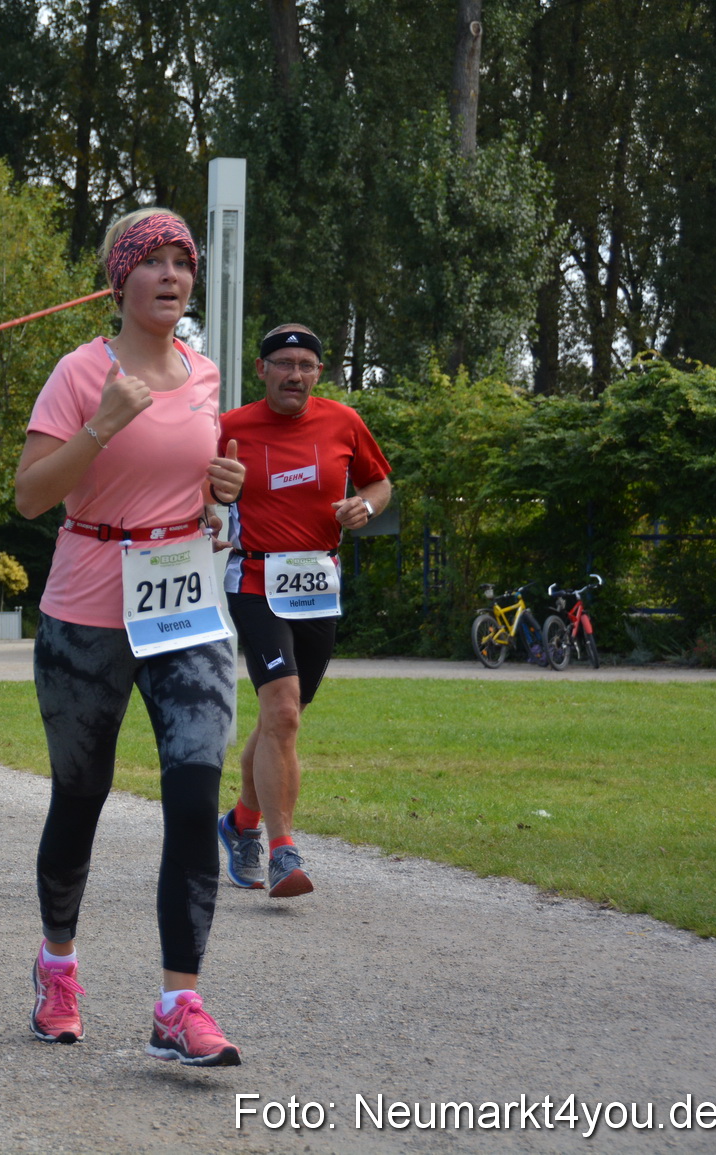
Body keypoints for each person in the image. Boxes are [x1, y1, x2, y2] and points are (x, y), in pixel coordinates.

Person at [13, 208, 247, 1065]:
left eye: (185, 264)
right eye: (155, 262)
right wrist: (101, 425)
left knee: (192, 794)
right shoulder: (81, 372)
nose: (174, 277)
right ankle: (58, 967)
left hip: (185, 608)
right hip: (87, 604)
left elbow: (198, 488)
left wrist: (223, 490)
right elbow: (32, 496)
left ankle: (179, 999)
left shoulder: (207, 373)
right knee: (80, 796)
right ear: (121, 280)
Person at [216, 325, 393, 899]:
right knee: (283, 712)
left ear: (319, 373)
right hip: (253, 577)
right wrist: (212, 507)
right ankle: (281, 850)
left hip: (318, 581)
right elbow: (196, 489)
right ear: (262, 369)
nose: (296, 374)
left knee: (280, 720)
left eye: (307, 365)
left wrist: (364, 505)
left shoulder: (343, 421)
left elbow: (379, 482)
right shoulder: (230, 428)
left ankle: (240, 822)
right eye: (284, 363)